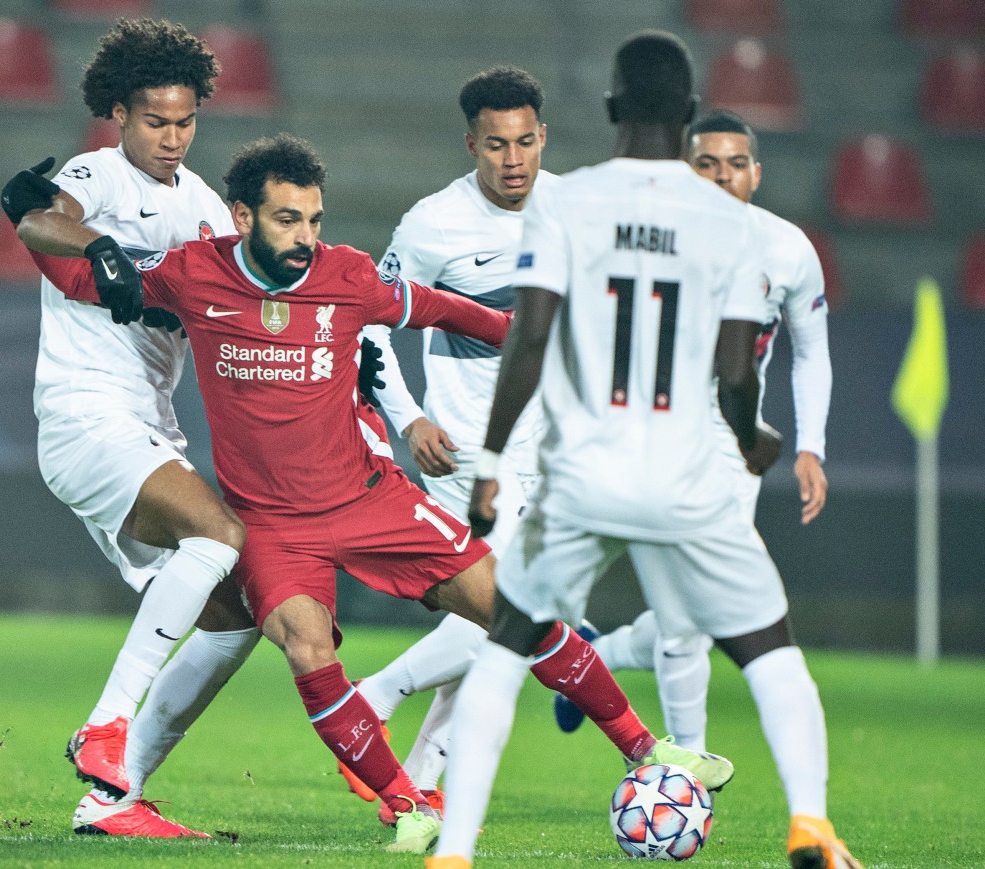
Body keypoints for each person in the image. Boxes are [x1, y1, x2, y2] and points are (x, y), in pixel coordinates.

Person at [27, 132, 735, 855]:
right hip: (274, 526)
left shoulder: (348, 275)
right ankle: (406, 805)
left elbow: (440, 309)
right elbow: (86, 276)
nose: (306, 237)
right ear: (241, 217)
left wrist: (527, 336)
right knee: (307, 649)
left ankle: (648, 750)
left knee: (515, 610)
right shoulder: (193, 274)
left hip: (371, 501)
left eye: (315, 219)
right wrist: (29, 220)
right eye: (287, 220)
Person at [431, 31, 862, 869]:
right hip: (688, 471)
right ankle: (810, 824)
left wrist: (488, 464)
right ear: (691, 115)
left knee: (508, 645)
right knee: (772, 649)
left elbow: (529, 341)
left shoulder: (567, 202)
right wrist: (754, 437)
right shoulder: (729, 223)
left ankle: (453, 853)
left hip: (583, 471)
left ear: (610, 110)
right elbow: (738, 372)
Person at [5, 18, 260, 838]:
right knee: (218, 529)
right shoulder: (99, 173)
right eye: (157, 121)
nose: (172, 138)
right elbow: (42, 221)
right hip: (86, 416)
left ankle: (113, 798)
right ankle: (106, 724)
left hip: (146, 430)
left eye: (186, 122)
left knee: (235, 614)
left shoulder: (206, 207)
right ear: (120, 114)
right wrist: (101, 246)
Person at [553, 110, 834, 751]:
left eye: (736, 164)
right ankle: (686, 760)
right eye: (707, 163)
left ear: (756, 174)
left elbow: (813, 349)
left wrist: (811, 445)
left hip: (731, 443)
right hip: (645, 430)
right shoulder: (649, 233)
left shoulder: (787, 247)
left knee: (697, 621)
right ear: (686, 169)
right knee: (690, 620)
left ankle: (606, 670)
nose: (722, 176)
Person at [339, 66, 561, 819]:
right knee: (515, 615)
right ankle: (377, 693)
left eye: (525, 141)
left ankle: (420, 781)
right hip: (465, 454)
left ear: (542, 137)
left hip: (549, 450)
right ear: (471, 144)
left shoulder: (572, 212)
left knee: (490, 625)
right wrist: (409, 419)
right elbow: (368, 321)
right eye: (496, 144)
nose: (513, 159)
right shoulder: (433, 223)